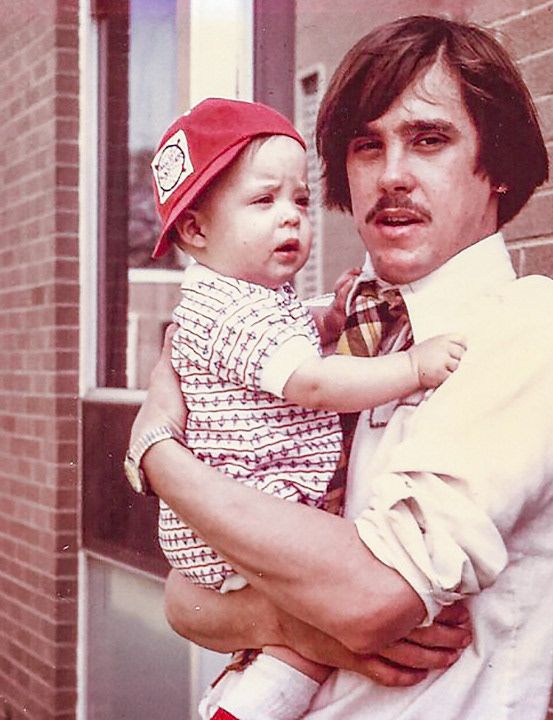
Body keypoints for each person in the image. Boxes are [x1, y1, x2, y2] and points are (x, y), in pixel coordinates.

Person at [128, 15, 553, 720]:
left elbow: (370, 601)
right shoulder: (334, 331)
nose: (391, 175)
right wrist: (286, 624)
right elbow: (182, 593)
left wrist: (157, 455)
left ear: (500, 165)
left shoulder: (537, 330)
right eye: (366, 146)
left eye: (428, 140)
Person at [143, 97, 466, 720]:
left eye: (299, 200)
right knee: (310, 642)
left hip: (223, 519)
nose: (290, 219)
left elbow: (285, 334)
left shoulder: (244, 295)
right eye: (263, 202)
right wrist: (412, 367)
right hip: (253, 508)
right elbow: (312, 383)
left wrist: (324, 315)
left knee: (299, 635)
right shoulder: (232, 309)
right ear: (196, 231)